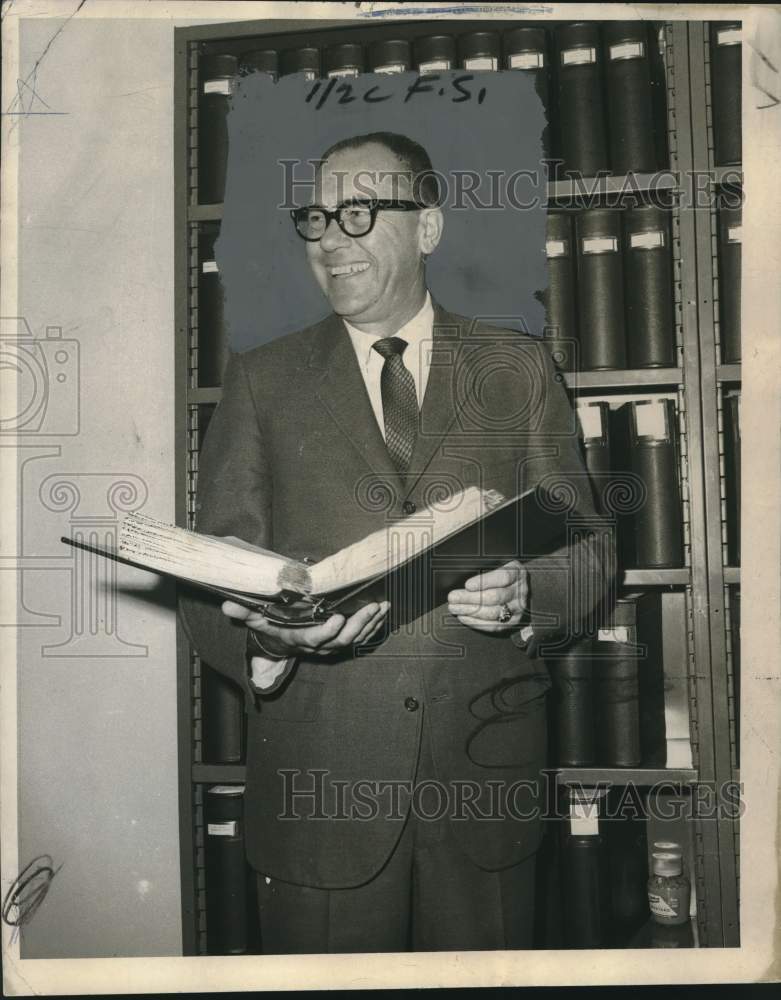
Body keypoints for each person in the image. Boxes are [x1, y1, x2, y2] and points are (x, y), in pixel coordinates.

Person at [180, 131, 613, 954]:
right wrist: (266, 636)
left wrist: (530, 591)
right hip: (323, 796)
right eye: (317, 216)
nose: (331, 239)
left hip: (484, 792)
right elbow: (208, 579)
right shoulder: (261, 380)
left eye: (359, 212)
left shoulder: (515, 368)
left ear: (427, 228)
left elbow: (589, 548)